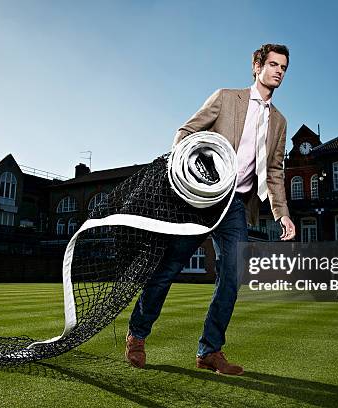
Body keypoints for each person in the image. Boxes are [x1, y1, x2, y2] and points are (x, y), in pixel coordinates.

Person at [126, 43, 296, 375]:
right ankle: (137, 335)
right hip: (201, 198)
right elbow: (185, 133)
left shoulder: (280, 122)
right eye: (274, 64)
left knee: (232, 276)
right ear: (257, 67)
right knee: (171, 265)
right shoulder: (225, 98)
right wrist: (192, 173)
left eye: (284, 68)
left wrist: (282, 214)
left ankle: (209, 351)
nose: (279, 71)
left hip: (235, 205)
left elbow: (274, 171)